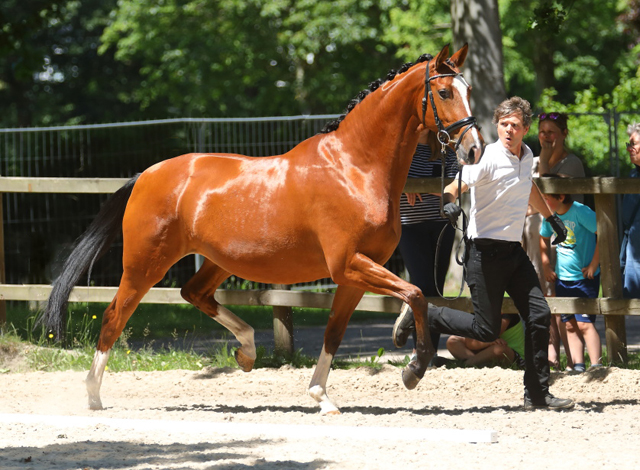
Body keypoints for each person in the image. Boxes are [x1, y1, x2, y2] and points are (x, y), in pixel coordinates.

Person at [393, 96, 575, 410]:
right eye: (503, 124)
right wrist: (449, 201)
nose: (508, 130)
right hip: (484, 253)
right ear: (497, 125)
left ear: (525, 129)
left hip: (513, 254)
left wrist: (551, 217)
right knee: (486, 329)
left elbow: (527, 185)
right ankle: (422, 314)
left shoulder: (526, 154)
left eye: (515, 125)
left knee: (540, 315)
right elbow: (456, 185)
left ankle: (537, 394)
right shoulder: (488, 157)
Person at [522, 112, 586, 371]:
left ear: (564, 134)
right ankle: (549, 357)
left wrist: (546, 162)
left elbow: (550, 198)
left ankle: (573, 359)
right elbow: (525, 204)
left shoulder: (572, 164)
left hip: (564, 242)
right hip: (534, 243)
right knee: (541, 298)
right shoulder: (531, 162)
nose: (546, 137)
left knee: (560, 299)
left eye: (552, 132)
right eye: (542, 132)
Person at [397, 130, 458, 362]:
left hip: (442, 225)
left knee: (436, 289)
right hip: (410, 226)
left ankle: (429, 350)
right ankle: (419, 349)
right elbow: (388, 178)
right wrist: (407, 186)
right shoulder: (402, 149)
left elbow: (456, 184)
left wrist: (418, 187)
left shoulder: (445, 149)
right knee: (420, 287)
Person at [540, 178, 601, 372]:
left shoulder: (581, 212)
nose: (543, 201)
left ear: (561, 196)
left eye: (547, 198)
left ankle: (597, 366)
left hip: (584, 279)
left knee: (584, 324)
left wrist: (594, 264)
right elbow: (543, 237)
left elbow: (604, 233)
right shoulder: (549, 215)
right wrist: (546, 265)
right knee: (569, 325)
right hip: (562, 280)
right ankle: (578, 366)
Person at [446, 314, 525, 368]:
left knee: (499, 349)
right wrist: (488, 342)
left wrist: (487, 342)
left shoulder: (506, 311)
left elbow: (492, 334)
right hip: (485, 349)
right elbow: (470, 343)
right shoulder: (476, 308)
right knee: (452, 341)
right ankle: (478, 363)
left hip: (511, 353)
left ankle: (465, 364)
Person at [621, 123, 640, 298]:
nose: (629, 149)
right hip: (634, 260)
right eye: (628, 144)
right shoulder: (633, 176)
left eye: (633, 144)